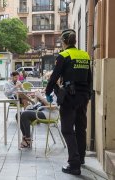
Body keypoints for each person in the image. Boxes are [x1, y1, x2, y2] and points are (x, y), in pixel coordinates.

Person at [45, 29, 92, 175]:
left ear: (64, 42)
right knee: (80, 128)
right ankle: (81, 158)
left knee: (67, 129)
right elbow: (90, 78)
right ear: (75, 41)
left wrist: (48, 92)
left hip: (69, 98)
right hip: (83, 97)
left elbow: (54, 77)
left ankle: (74, 164)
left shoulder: (64, 55)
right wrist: (88, 95)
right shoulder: (85, 55)